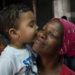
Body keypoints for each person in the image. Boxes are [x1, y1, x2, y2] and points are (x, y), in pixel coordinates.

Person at [0, 4, 38, 75]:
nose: (37, 27)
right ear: (14, 33)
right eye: (31, 25)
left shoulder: (27, 47)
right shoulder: (7, 60)